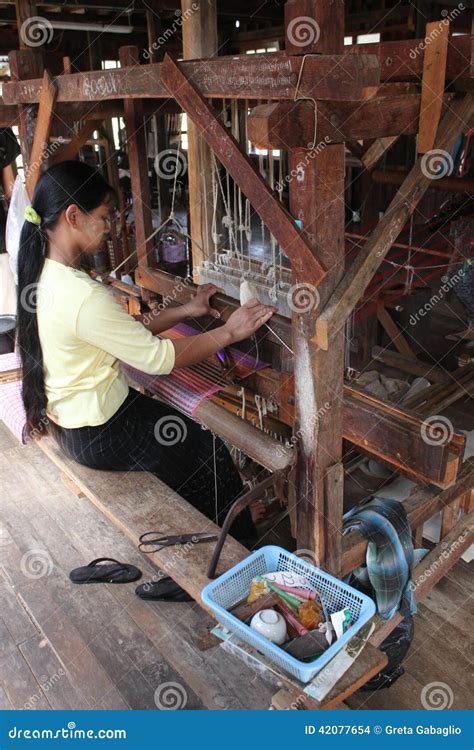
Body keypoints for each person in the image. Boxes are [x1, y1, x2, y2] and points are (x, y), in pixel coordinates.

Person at [16, 160, 276, 550]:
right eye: (103, 217)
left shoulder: (47, 276)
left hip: (72, 424)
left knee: (180, 443)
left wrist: (186, 311)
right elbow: (156, 359)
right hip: (97, 433)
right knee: (205, 446)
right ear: (73, 216)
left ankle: (222, 518)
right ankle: (237, 543)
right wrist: (230, 331)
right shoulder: (83, 295)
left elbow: (120, 335)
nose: (109, 228)